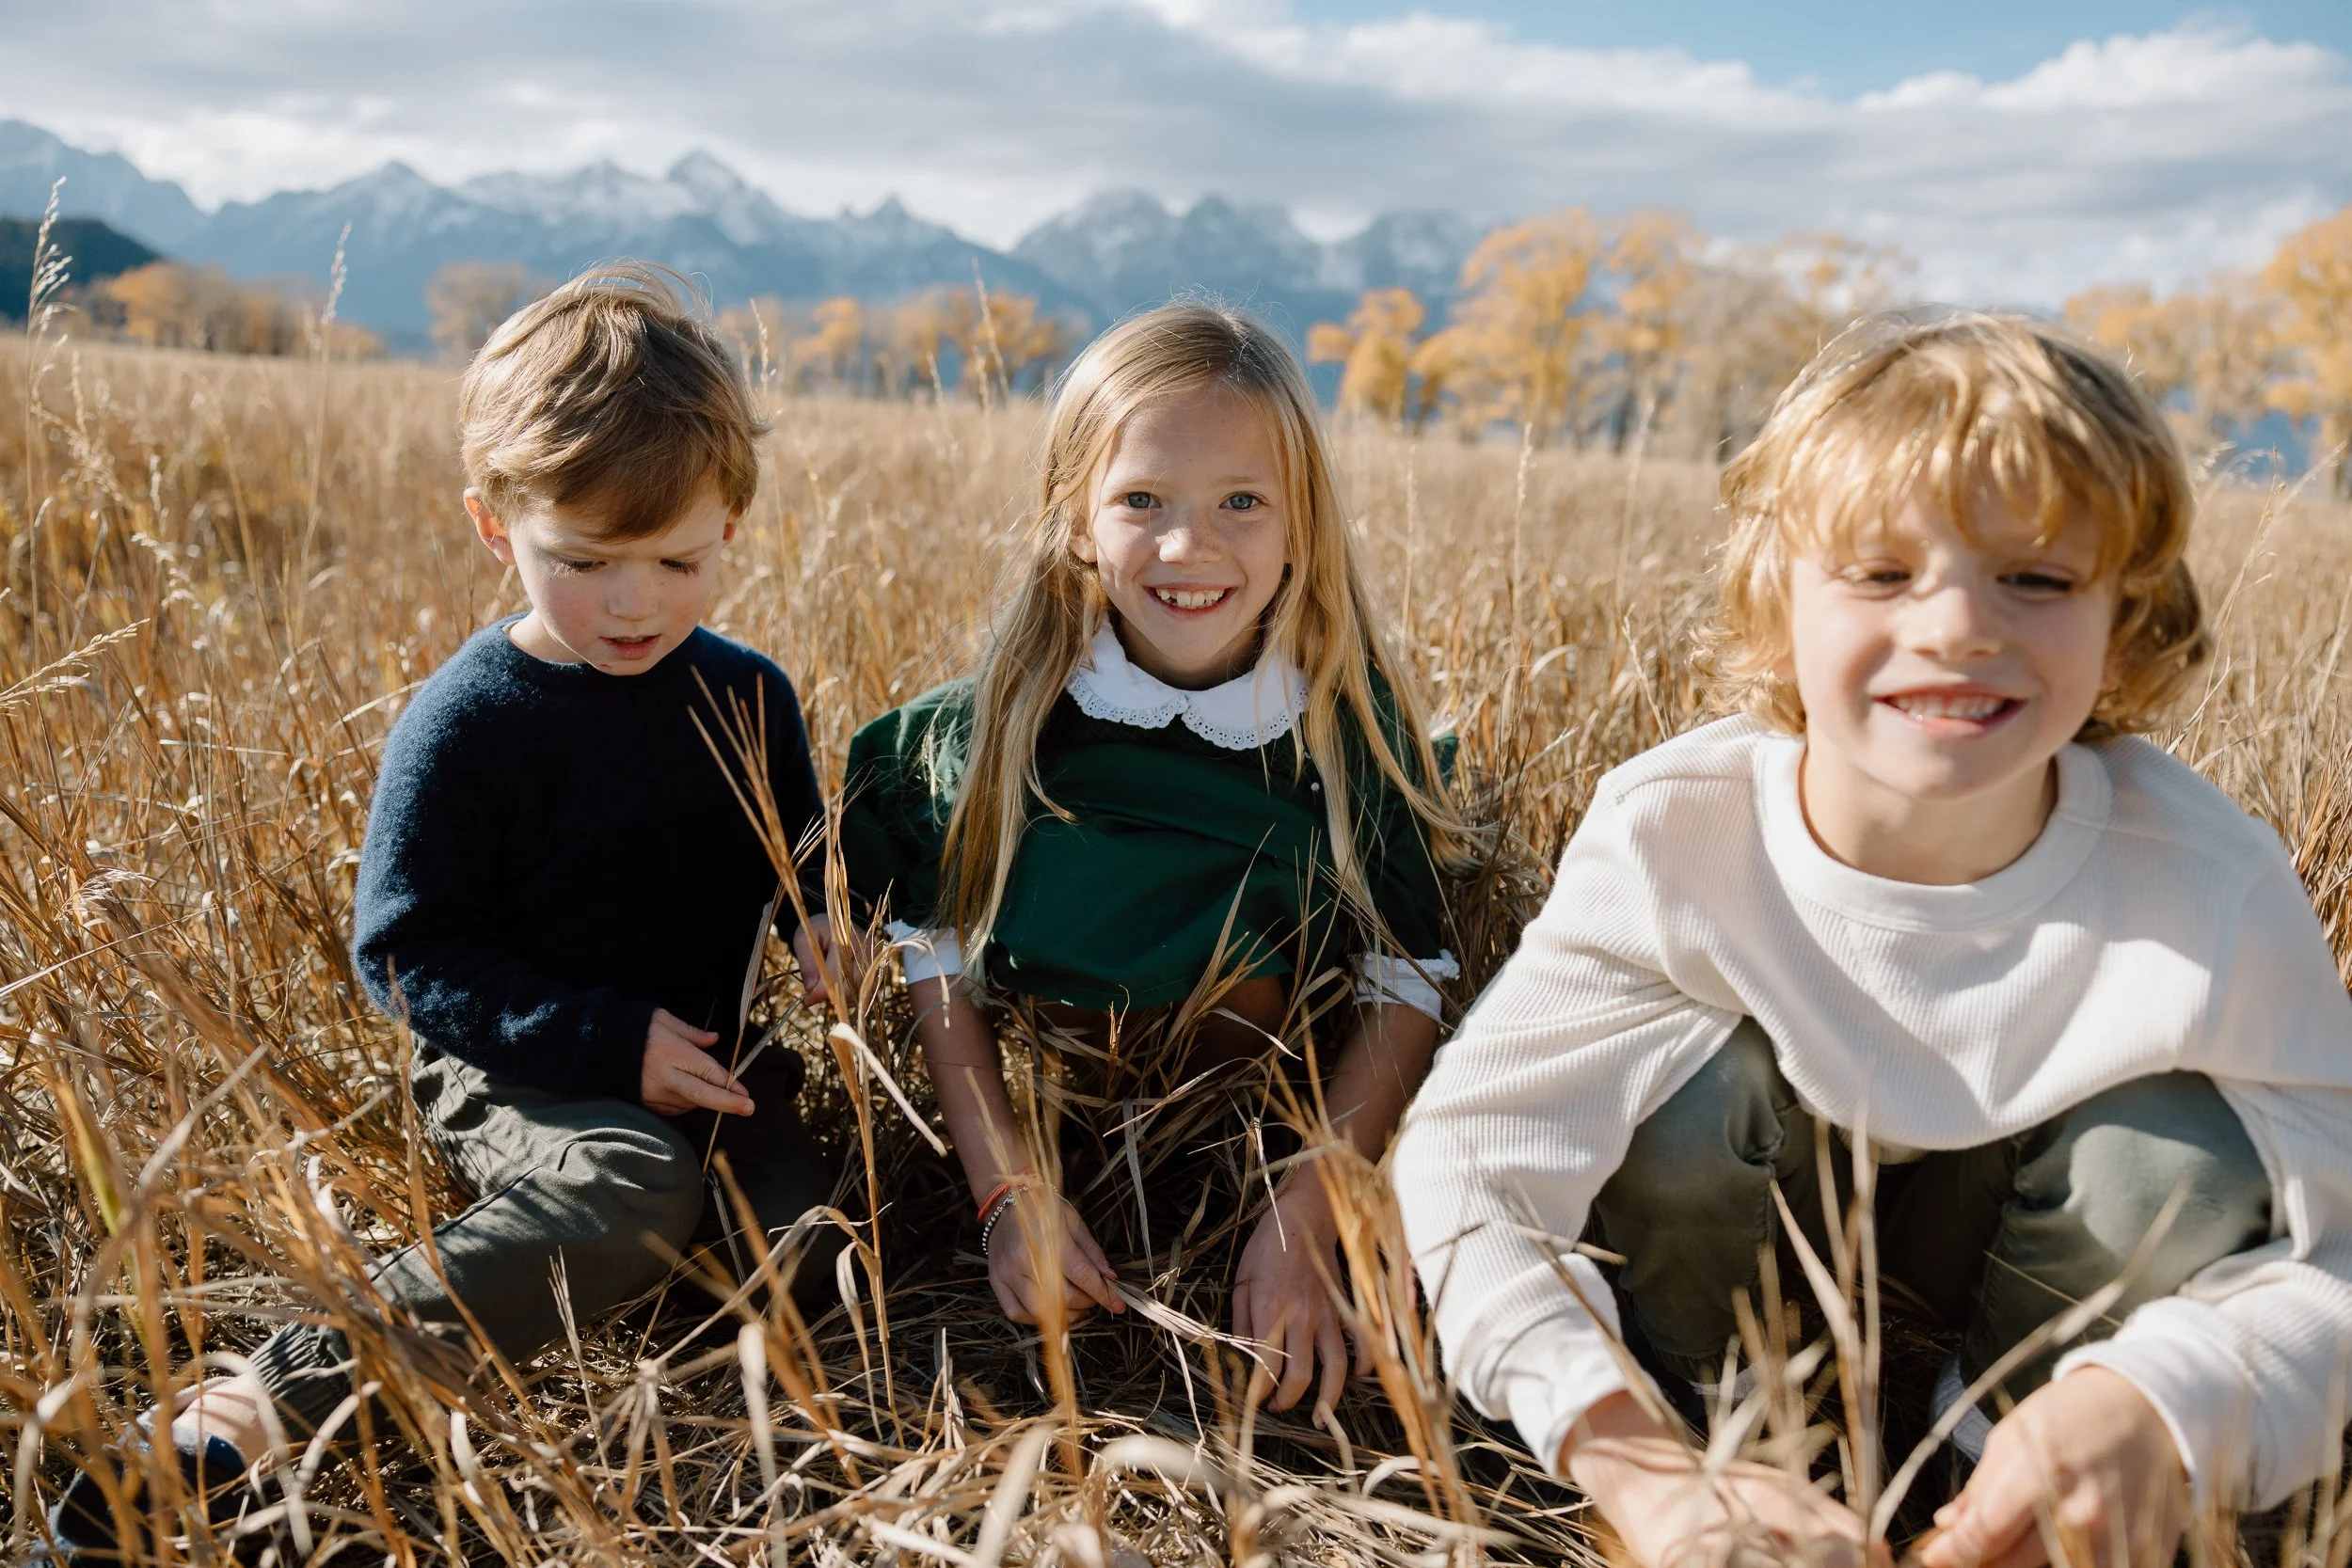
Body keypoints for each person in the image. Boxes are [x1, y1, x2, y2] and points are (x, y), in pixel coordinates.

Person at [1393, 314, 2352, 1568]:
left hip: (2040, 1293)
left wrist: (2170, 1400)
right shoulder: (1682, 831)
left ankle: (2006, 1484)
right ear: (1773, 597)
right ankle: (1750, 1472)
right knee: (1685, 1105)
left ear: (2126, 614)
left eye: (2040, 578)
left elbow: (2339, 1245)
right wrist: (1641, 1464)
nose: (1956, 626)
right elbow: (1472, 1165)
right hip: (1728, 1300)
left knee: (2175, 1150)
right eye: (1884, 572)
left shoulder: (2207, 885)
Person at [48, 262, 841, 1560]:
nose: (632, 599)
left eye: (676, 559)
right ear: (493, 528)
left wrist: (826, 923)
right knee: (632, 1187)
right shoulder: (472, 718)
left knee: (807, 1248)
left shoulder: (750, 694)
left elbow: (799, 863)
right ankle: (264, 1398)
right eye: (582, 561)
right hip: (520, 1060)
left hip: (714, 1062)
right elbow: (406, 950)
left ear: (732, 525)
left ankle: (580, 1275)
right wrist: (605, 1041)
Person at [839, 302, 1470, 1418]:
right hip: (1058, 1129)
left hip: (1255, 1142)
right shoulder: (988, 737)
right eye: (1141, 500)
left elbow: (1402, 976)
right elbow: (935, 973)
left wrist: (1308, 1209)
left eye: (1242, 501)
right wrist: (1007, 1193)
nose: (1190, 546)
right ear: (1075, 519)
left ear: (1301, 527)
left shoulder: (1347, 735)